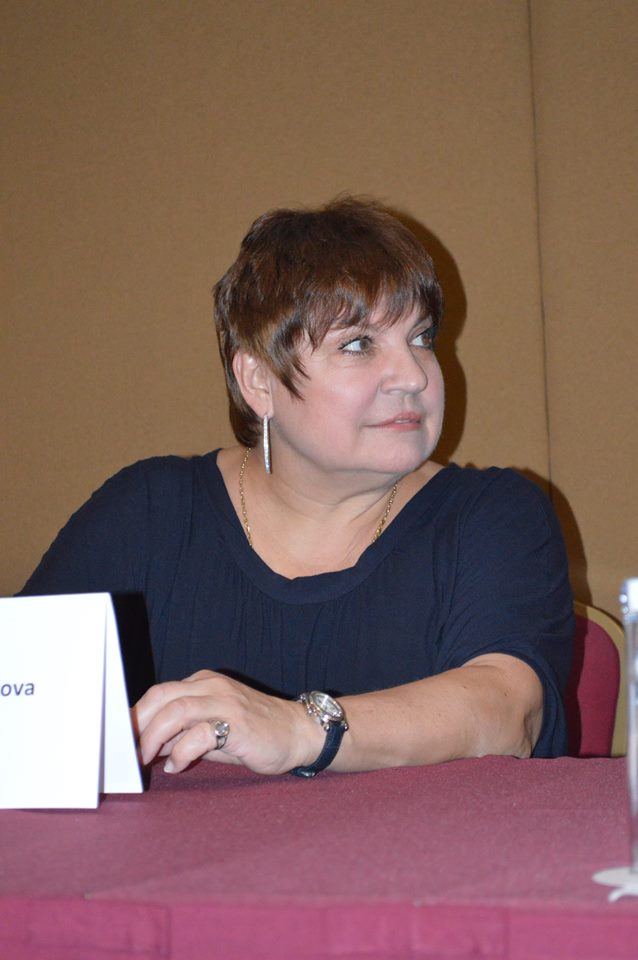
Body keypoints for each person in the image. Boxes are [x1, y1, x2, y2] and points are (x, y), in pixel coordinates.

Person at [19, 197, 574, 778]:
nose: (414, 375)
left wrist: (299, 728)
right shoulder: (148, 512)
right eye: (358, 344)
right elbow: (22, 706)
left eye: (421, 337)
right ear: (259, 380)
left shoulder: (493, 515)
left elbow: (508, 713)